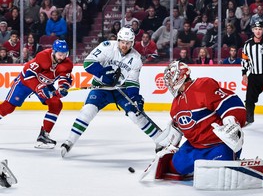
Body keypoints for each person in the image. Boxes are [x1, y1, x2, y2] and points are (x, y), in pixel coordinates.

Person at [60, 27, 162, 157]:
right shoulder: (107, 46)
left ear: (132, 43)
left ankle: (160, 141)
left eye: (128, 43)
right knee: (87, 111)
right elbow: (88, 63)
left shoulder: (136, 58)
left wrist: (135, 98)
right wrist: (103, 74)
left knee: (135, 113)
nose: (124, 45)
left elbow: (132, 82)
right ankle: (70, 141)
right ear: (118, 40)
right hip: (101, 88)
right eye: (122, 42)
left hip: (121, 90)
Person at [151, 61, 246, 180]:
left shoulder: (202, 86)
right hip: (195, 147)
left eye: (170, 79)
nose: (168, 83)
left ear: (179, 76)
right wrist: (167, 145)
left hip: (218, 144)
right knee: (176, 167)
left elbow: (230, 102)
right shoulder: (175, 105)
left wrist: (231, 121)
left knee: (218, 171)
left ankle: (231, 162)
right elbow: (178, 129)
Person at [0, 39, 73, 148]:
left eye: (65, 54)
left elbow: (65, 79)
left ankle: (44, 135)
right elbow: (28, 75)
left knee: (56, 104)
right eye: (60, 54)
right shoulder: (42, 57)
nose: (62, 57)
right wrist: (38, 87)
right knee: (9, 107)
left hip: (45, 83)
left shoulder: (67, 64)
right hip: (25, 82)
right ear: (53, 51)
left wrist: (63, 87)